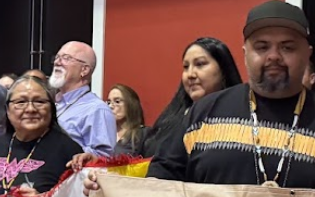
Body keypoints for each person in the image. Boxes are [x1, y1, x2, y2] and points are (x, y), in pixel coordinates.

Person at [84, 1, 315, 195]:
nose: (273, 56)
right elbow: (159, 183)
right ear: (245, 54)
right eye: (262, 47)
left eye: (287, 47)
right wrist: (110, 190)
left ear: (308, 54)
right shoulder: (204, 113)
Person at [71, 37, 242, 168]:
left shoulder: (243, 119)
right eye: (185, 67)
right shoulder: (170, 121)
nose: (190, 74)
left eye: (200, 64)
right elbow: (140, 167)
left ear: (223, 70)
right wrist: (98, 164)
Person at [49, 41, 116, 156]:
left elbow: (104, 157)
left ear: (84, 70)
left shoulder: (96, 110)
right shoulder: (49, 102)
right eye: (57, 57)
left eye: (66, 58)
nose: (57, 62)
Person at [106, 84, 149, 156]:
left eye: (117, 101)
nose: (110, 106)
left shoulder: (143, 134)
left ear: (130, 104)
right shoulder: (103, 134)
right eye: (109, 102)